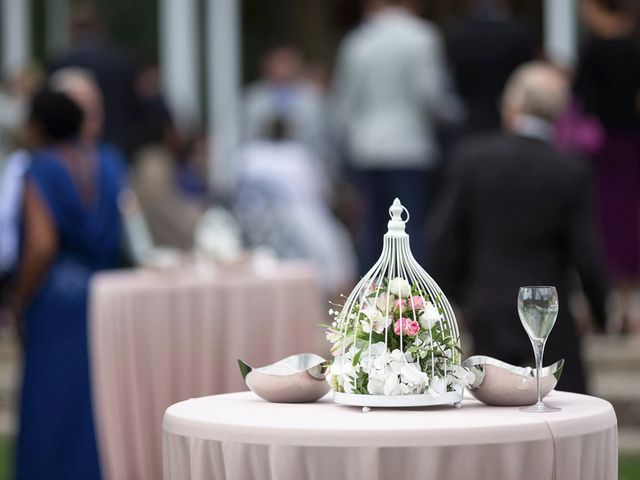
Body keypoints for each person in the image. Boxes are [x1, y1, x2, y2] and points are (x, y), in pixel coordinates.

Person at [429, 62, 609, 393]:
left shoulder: (472, 158)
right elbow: (587, 253)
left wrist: (452, 300)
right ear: (558, 115)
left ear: (511, 107)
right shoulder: (570, 170)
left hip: (487, 305)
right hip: (549, 313)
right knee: (563, 411)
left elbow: (442, 238)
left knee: (491, 418)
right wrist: (600, 312)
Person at [10, 89, 124, 478]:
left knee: (49, 401)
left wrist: (17, 298)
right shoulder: (108, 161)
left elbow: (41, 245)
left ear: (38, 126)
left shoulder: (41, 167)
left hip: (56, 298)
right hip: (105, 291)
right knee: (92, 402)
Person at [332, 0, 463, 272]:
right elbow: (430, 95)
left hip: (366, 146)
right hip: (411, 146)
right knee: (410, 227)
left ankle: (369, 304)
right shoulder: (422, 37)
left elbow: (344, 103)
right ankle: (414, 302)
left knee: (371, 231)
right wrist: (453, 117)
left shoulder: (358, 40)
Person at [574, 0, 640, 331]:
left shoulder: (594, 50)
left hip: (599, 151)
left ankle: (598, 307)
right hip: (628, 146)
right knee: (627, 224)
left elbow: (581, 98)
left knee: (598, 223)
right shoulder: (631, 49)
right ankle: (625, 307)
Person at [235, 117, 356, 297]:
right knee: (337, 249)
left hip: (254, 223)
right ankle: (341, 305)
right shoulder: (300, 155)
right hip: (294, 221)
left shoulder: (247, 155)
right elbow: (322, 193)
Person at [48, 1, 139, 154]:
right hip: (119, 143)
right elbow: (134, 109)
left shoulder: (61, 62)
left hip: (72, 150)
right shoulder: (123, 62)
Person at [446, 0, 535, 134]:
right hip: (509, 122)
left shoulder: (458, 34)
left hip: (470, 123)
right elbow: (525, 77)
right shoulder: (519, 33)